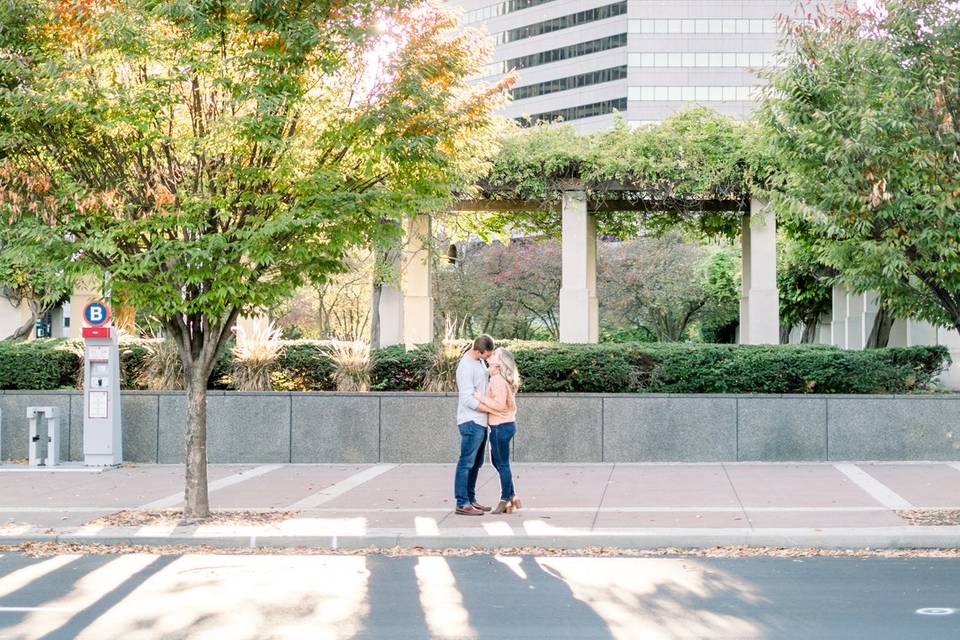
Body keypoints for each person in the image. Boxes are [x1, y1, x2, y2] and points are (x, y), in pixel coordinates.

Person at [474, 347, 521, 514]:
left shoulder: (498, 381)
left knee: (501, 463)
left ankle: (505, 499)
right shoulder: (497, 378)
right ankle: (513, 497)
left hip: (501, 426)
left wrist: (479, 398)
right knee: (499, 462)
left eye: (495, 355)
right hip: (503, 425)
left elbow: (500, 405)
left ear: (500, 363)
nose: (490, 355)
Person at [454, 334, 495, 516]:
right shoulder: (466, 366)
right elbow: (466, 398)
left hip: (481, 421)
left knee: (476, 464)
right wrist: (487, 407)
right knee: (466, 463)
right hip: (470, 421)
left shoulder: (479, 362)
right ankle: (462, 502)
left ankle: (471, 499)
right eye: (487, 354)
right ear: (478, 351)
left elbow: (481, 384)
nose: (489, 357)